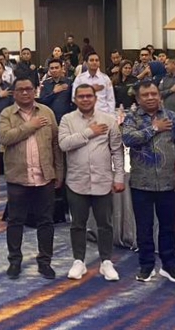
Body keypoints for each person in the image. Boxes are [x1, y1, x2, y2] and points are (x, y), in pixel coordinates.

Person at [121, 81, 175, 283]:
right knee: (144, 228)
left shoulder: (172, 117)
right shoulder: (132, 117)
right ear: (138, 98)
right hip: (141, 183)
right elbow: (128, 139)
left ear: (160, 95)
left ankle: (169, 266)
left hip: (168, 182)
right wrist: (154, 128)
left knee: (168, 227)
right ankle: (146, 266)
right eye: (145, 95)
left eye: (154, 94)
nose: (150, 97)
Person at [0, 76, 63, 280]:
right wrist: (31, 126)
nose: (25, 92)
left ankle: (45, 262)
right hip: (18, 177)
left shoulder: (47, 112)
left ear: (35, 90)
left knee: (46, 221)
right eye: (20, 90)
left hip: (44, 176)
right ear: (14, 93)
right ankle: (14, 261)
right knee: (15, 221)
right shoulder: (6, 114)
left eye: (29, 89)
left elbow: (55, 144)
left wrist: (59, 172)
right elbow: (5, 138)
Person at [58, 84, 124, 281]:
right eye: (81, 96)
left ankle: (106, 262)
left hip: (103, 180)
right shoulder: (67, 120)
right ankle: (79, 261)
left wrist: (119, 177)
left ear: (95, 98)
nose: (85, 99)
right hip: (76, 181)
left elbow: (117, 150)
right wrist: (89, 132)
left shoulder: (109, 120)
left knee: (105, 224)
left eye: (89, 96)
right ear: (75, 99)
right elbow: (64, 144)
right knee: (77, 224)